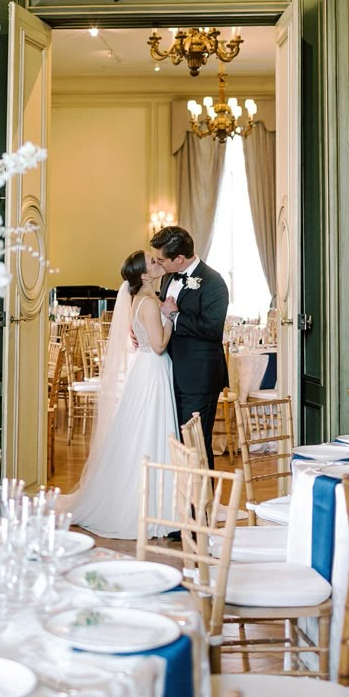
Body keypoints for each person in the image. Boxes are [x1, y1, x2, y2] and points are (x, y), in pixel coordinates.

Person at [62, 250, 179, 539]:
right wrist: (171, 317)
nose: (158, 262)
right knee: (151, 429)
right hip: (153, 368)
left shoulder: (141, 300)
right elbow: (160, 345)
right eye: (153, 262)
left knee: (142, 431)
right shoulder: (150, 303)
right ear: (143, 275)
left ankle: (157, 500)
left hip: (146, 368)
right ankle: (151, 505)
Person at [150, 225, 229, 469]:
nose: (157, 263)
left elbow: (212, 329)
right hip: (169, 374)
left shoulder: (213, 282)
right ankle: (181, 505)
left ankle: (203, 506)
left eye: (161, 259)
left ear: (180, 258)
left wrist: (176, 316)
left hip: (198, 378)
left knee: (197, 446)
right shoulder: (166, 277)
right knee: (175, 444)